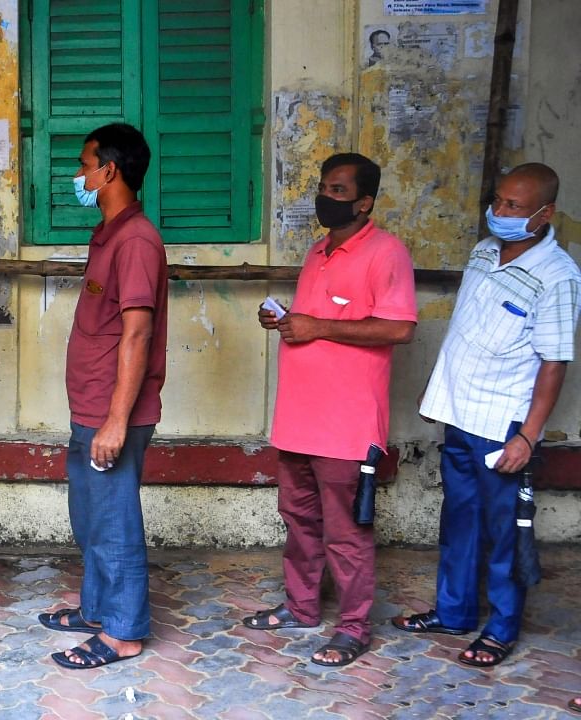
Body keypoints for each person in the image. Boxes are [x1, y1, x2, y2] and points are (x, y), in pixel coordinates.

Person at [395, 163, 580, 668]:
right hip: (460, 415)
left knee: (505, 532)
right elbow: (466, 332)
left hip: (503, 426)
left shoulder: (559, 276)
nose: (499, 212)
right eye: (497, 201)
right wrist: (439, 393)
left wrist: (528, 436)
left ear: (546, 214)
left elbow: (554, 363)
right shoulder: (483, 252)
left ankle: (500, 629)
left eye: (514, 207)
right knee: (458, 522)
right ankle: (454, 612)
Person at [245, 153, 417, 667]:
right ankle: (301, 607)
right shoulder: (318, 251)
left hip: (346, 426)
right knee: (299, 519)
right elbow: (312, 322)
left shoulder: (386, 254)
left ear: (365, 203)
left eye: (338, 191)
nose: (326, 197)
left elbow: (399, 328)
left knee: (346, 531)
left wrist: (317, 327)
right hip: (298, 420)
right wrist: (285, 319)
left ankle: (354, 627)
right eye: (324, 187)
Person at [35, 123, 168, 670]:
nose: (79, 175)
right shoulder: (109, 233)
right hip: (90, 404)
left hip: (112, 411)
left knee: (113, 522)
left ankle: (123, 632)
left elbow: (136, 333)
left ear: (109, 170)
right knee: (91, 515)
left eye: (85, 165)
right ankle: (97, 608)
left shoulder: (136, 241)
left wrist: (117, 421)